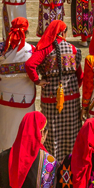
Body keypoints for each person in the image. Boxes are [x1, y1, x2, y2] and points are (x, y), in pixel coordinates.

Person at [27, 19, 83, 161]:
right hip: (71, 98)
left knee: (52, 133)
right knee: (72, 132)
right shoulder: (73, 49)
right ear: (63, 32)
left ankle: (52, 164)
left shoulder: (45, 49)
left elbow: (30, 65)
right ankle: (70, 163)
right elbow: (80, 75)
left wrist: (37, 81)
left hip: (50, 98)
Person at [0, 17, 37, 152]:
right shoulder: (32, 50)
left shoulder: (1, 47)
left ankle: (4, 160)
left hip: (6, 96)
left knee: (6, 131)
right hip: (26, 96)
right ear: (26, 32)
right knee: (25, 130)